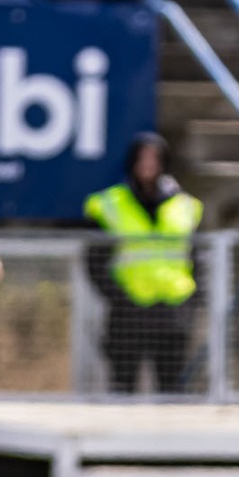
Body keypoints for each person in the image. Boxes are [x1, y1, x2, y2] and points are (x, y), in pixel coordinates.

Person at [84, 133, 205, 396]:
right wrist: (118, 297)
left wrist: (193, 299)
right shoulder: (111, 203)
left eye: (154, 158)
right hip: (129, 311)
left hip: (173, 310)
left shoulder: (185, 205)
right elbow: (94, 261)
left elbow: (197, 258)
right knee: (123, 388)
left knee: (172, 391)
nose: (148, 165)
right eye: (142, 158)